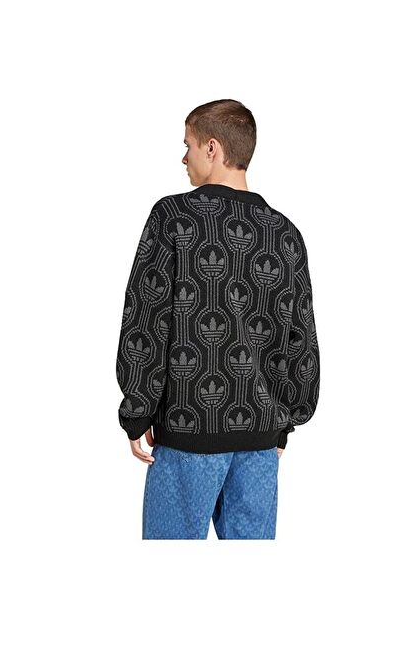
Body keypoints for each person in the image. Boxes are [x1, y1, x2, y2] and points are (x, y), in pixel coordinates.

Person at [115, 99, 320, 539]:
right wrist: (284, 423)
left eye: (187, 145)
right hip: (260, 442)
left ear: (212, 148)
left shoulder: (173, 218)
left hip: (188, 432)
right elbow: (300, 338)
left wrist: (137, 409)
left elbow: (146, 320)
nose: (183, 158)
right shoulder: (285, 234)